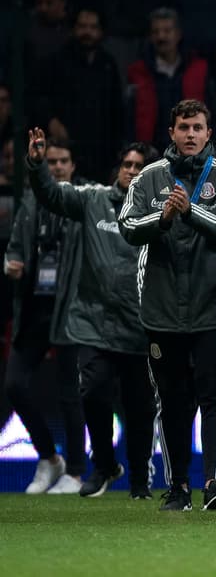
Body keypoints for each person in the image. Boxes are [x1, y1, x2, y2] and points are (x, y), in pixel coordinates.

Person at [118, 98, 216, 511]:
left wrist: (189, 212)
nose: (190, 134)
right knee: (172, 401)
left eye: (197, 128)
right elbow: (127, 226)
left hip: (213, 309)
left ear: (209, 133)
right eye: (183, 128)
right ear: (171, 133)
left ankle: (214, 485)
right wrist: (163, 219)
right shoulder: (149, 178)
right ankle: (177, 488)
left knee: (213, 398)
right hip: (162, 311)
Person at [25, 133, 157, 498]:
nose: (131, 171)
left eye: (139, 167)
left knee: (139, 408)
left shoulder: (162, 211)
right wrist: (37, 167)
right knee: (93, 391)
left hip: (142, 325)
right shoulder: (93, 199)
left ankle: (140, 482)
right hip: (94, 322)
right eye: (127, 165)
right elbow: (51, 195)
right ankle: (104, 464)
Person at [3, 139, 86, 495]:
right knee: (14, 385)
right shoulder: (30, 200)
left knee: (71, 393)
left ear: (73, 166)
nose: (56, 167)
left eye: (63, 160)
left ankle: (77, 472)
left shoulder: (84, 200)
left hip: (70, 309)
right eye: (50, 161)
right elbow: (15, 248)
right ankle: (50, 458)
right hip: (34, 306)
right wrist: (11, 264)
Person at [30, 7, 123, 184]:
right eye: (82, 26)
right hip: (67, 146)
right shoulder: (57, 61)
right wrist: (52, 121)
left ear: (101, 31)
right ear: (73, 29)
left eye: (93, 27)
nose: (87, 32)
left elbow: (116, 109)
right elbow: (39, 98)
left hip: (100, 150)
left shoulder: (107, 64)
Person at [127, 9, 212, 151]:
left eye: (167, 31)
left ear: (178, 34)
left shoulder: (198, 69)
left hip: (192, 147)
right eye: (156, 32)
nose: (161, 36)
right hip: (152, 150)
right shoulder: (139, 72)